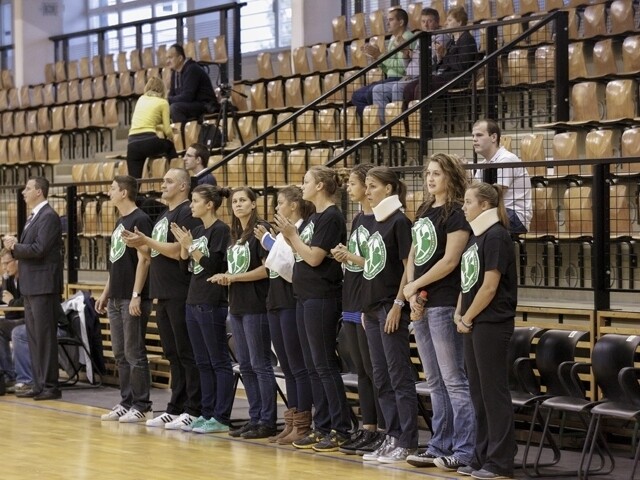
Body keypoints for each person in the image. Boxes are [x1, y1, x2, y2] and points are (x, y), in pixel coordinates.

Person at [403, 153, 476, 471]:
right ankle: (439, 444)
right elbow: (414, 253)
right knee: (433, 379)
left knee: (454, 380)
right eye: (427, 173)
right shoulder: (422, 210)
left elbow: (450, 261)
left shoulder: (457, 212)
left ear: (451, 177)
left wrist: (416, 284)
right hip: (420, 300)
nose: (430, 179)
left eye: (437, 173)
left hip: (444, 302)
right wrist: (409, 291)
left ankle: (465, 449)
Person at [275, 166, 351, 452]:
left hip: (322, 296)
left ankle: (341, 427)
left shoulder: (331, 217)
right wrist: (290, 237)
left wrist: (292, 237)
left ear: (320, 186)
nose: (302, 185)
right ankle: (323, 425)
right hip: (304, 295)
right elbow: (300, 252)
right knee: (312, 366)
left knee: (324, 365)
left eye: (306, 181)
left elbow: (315, 258)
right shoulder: (314, 218)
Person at [121, 168, 203, 431]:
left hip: (180, 291)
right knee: (172, 353)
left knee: (186, 353)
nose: (163, 184)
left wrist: (146, 240)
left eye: (169, 181)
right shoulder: (165, 215)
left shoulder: (187, 212)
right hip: (162, 292)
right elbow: (156, 251)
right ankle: (175, 407)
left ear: (182, 186)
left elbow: (179, 251)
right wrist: (140, 244)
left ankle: (193, 408)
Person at [456, 182, 517, 479]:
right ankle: (481, 456)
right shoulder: (476, 236)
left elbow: (490, 286)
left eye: (468, 202)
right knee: (478, 395)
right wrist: (460, 313)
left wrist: (467, 316)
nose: (464, 207)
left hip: (492, 324)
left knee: (494, 394)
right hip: (473, 321)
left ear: (484, 205)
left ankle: (500, 462)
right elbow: (467, 281)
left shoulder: (497, 237)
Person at [358, 166, 418, 464]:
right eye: (366, 186)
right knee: (380, 377)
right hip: (371, 310)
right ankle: (391, 436)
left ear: (389, 189)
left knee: (399, 376)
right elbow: (372, 266)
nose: (367, 191)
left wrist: (398, 303)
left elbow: (410, 266)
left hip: (389, 307)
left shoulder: (400, 223)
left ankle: (407, 440)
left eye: (372, 186)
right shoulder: (375, 223)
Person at [209, 187, 277, 440]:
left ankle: (268, 420)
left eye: (242, 200)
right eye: (234, 201)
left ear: (253, 203)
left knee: (260, 364)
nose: (237, 205)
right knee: (246, 365)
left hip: (257, 306)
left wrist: (233, 277)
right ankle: (255, 416)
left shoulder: (261, 229)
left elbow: (267, 269)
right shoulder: (233, 233)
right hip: (236, 305)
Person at [330, 164, 386, 455]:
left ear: (368, 186)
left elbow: (378, 264)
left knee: (374, 368)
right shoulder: (357, 219)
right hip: (349, 297)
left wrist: (351, 256)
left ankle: (382, 429)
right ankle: (367, 428)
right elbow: (356, 260)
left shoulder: (381, 219)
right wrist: (345, 258)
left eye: (353, 183)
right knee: (360, 369)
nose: (348, 188)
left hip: (369, 299)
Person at [170, 185, 234, 434]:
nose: (190, 205)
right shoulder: (196, 230)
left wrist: (191, 247)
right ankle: (206, 412)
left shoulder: (220, 230)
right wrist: (184, 247)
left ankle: (221, 416)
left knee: (218, 360)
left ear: (209, 204)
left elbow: (212, 266)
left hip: (212, 301)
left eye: (195, 201)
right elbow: (185, 268)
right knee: (201, 362)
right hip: (193, 300)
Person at [255, 186, 314, 444]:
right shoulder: (283, 234)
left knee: (298, 366)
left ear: (293, 205)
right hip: (275, 302)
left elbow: (292, 267)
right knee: (287, 367)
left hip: (291, 301)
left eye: (280, 203)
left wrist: (269, 243)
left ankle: (302, 422)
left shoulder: (299, 231)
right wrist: (271, 243)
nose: (276, 208)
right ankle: (291, 421)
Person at [96, 175, 154, 422]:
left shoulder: (140, 219)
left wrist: (136, 295)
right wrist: (105, 293)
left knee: (134, 352)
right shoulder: (119, 221)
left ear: (124, 192)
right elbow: (115, 263)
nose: (108, 192)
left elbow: (145, 258)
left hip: (133, 297)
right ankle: (127, 400)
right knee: (120, 353)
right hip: (116, 297)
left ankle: (142, 404)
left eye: (112, 188)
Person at [3, 177, 63, 401]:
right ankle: (38, 383)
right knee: (34, 337)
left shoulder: (48, 216)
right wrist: (16, 245)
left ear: (39, 191)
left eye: (28, 188)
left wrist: (15, 247)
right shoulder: (34, 217)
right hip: (31, 286)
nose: (23, 192)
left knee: (45, 337)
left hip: (43, 286)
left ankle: (50, 385)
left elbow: (39, 249)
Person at [371, 8, 443, 124]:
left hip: (417, 76)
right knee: (377, 90)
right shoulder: (419, 38)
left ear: (437, 22)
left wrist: (410, 53)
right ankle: (385, 129)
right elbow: (407, 65)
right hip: (408, 75)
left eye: (429, 21)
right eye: (423, 21)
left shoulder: (439, 37)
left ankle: (399, 128)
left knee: (396, 88)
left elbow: (428, 61)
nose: (426, 25)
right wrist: (406, 55)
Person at [403, 6, 478, 103]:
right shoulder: (452, 40)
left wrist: (445, 54)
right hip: (443, 75)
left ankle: (423, 116)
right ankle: (407, 118)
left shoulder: (467, 39)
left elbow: (462, 65)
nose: (446, 23)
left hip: (456, 78)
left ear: (459, 22)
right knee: (408, 88)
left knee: (420, 88)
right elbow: (444, 62)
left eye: (450, 20)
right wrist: (439, 55)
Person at [471, 118, 532, 234]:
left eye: (479, 135)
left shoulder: (506, 159)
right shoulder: (483, 164)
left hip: (515, 216)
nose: (474, 139)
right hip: (496, 212)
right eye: (473, 136)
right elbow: (476, 193)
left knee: (469, 222)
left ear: (493, 137)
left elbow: (495, 196)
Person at [350, 7, 414, 117]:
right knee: (357, 95)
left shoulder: (407, 38)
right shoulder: (393, 39)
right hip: (391, 78)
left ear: (401, 22)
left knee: (367, 93)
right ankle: (375, 123)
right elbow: (388, 69)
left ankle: (380, 123)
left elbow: (402, 68)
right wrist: (376, 58)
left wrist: (380, 55)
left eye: (391, 20)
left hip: (400, 78)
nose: (387, 23)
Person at [126, 76, 178, 179]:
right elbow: (168, 131)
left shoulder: (141, 99)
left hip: (132, 144)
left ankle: (133, 194)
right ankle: (175, 176)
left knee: (134, 181)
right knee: (169, 146)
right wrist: (171, 136)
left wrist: (162, 128)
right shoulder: (163, 102)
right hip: (149, 142)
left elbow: (147, 124)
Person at [166, 43, 218, 124]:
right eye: (167, 58)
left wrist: (167, 100)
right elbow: (171, 94)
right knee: (162, 108)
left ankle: (184, 135)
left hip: (204, 105)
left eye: (170, 57)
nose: (167, 61)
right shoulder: (175, 73)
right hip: (191, 104)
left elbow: (188, 97)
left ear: (180, 58)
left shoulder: (192, 69)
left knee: (175, 108)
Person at [0, 248, 23, 390]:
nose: (4, 268)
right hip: (17, 319)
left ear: (18, 261)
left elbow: (29, 302)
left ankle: (16, 376)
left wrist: (11, 302)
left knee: (17, 332)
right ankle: (9, 375)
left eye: (7, 263)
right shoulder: (7, 278)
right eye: (2, 264)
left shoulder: (27, 277)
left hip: (32, 320)